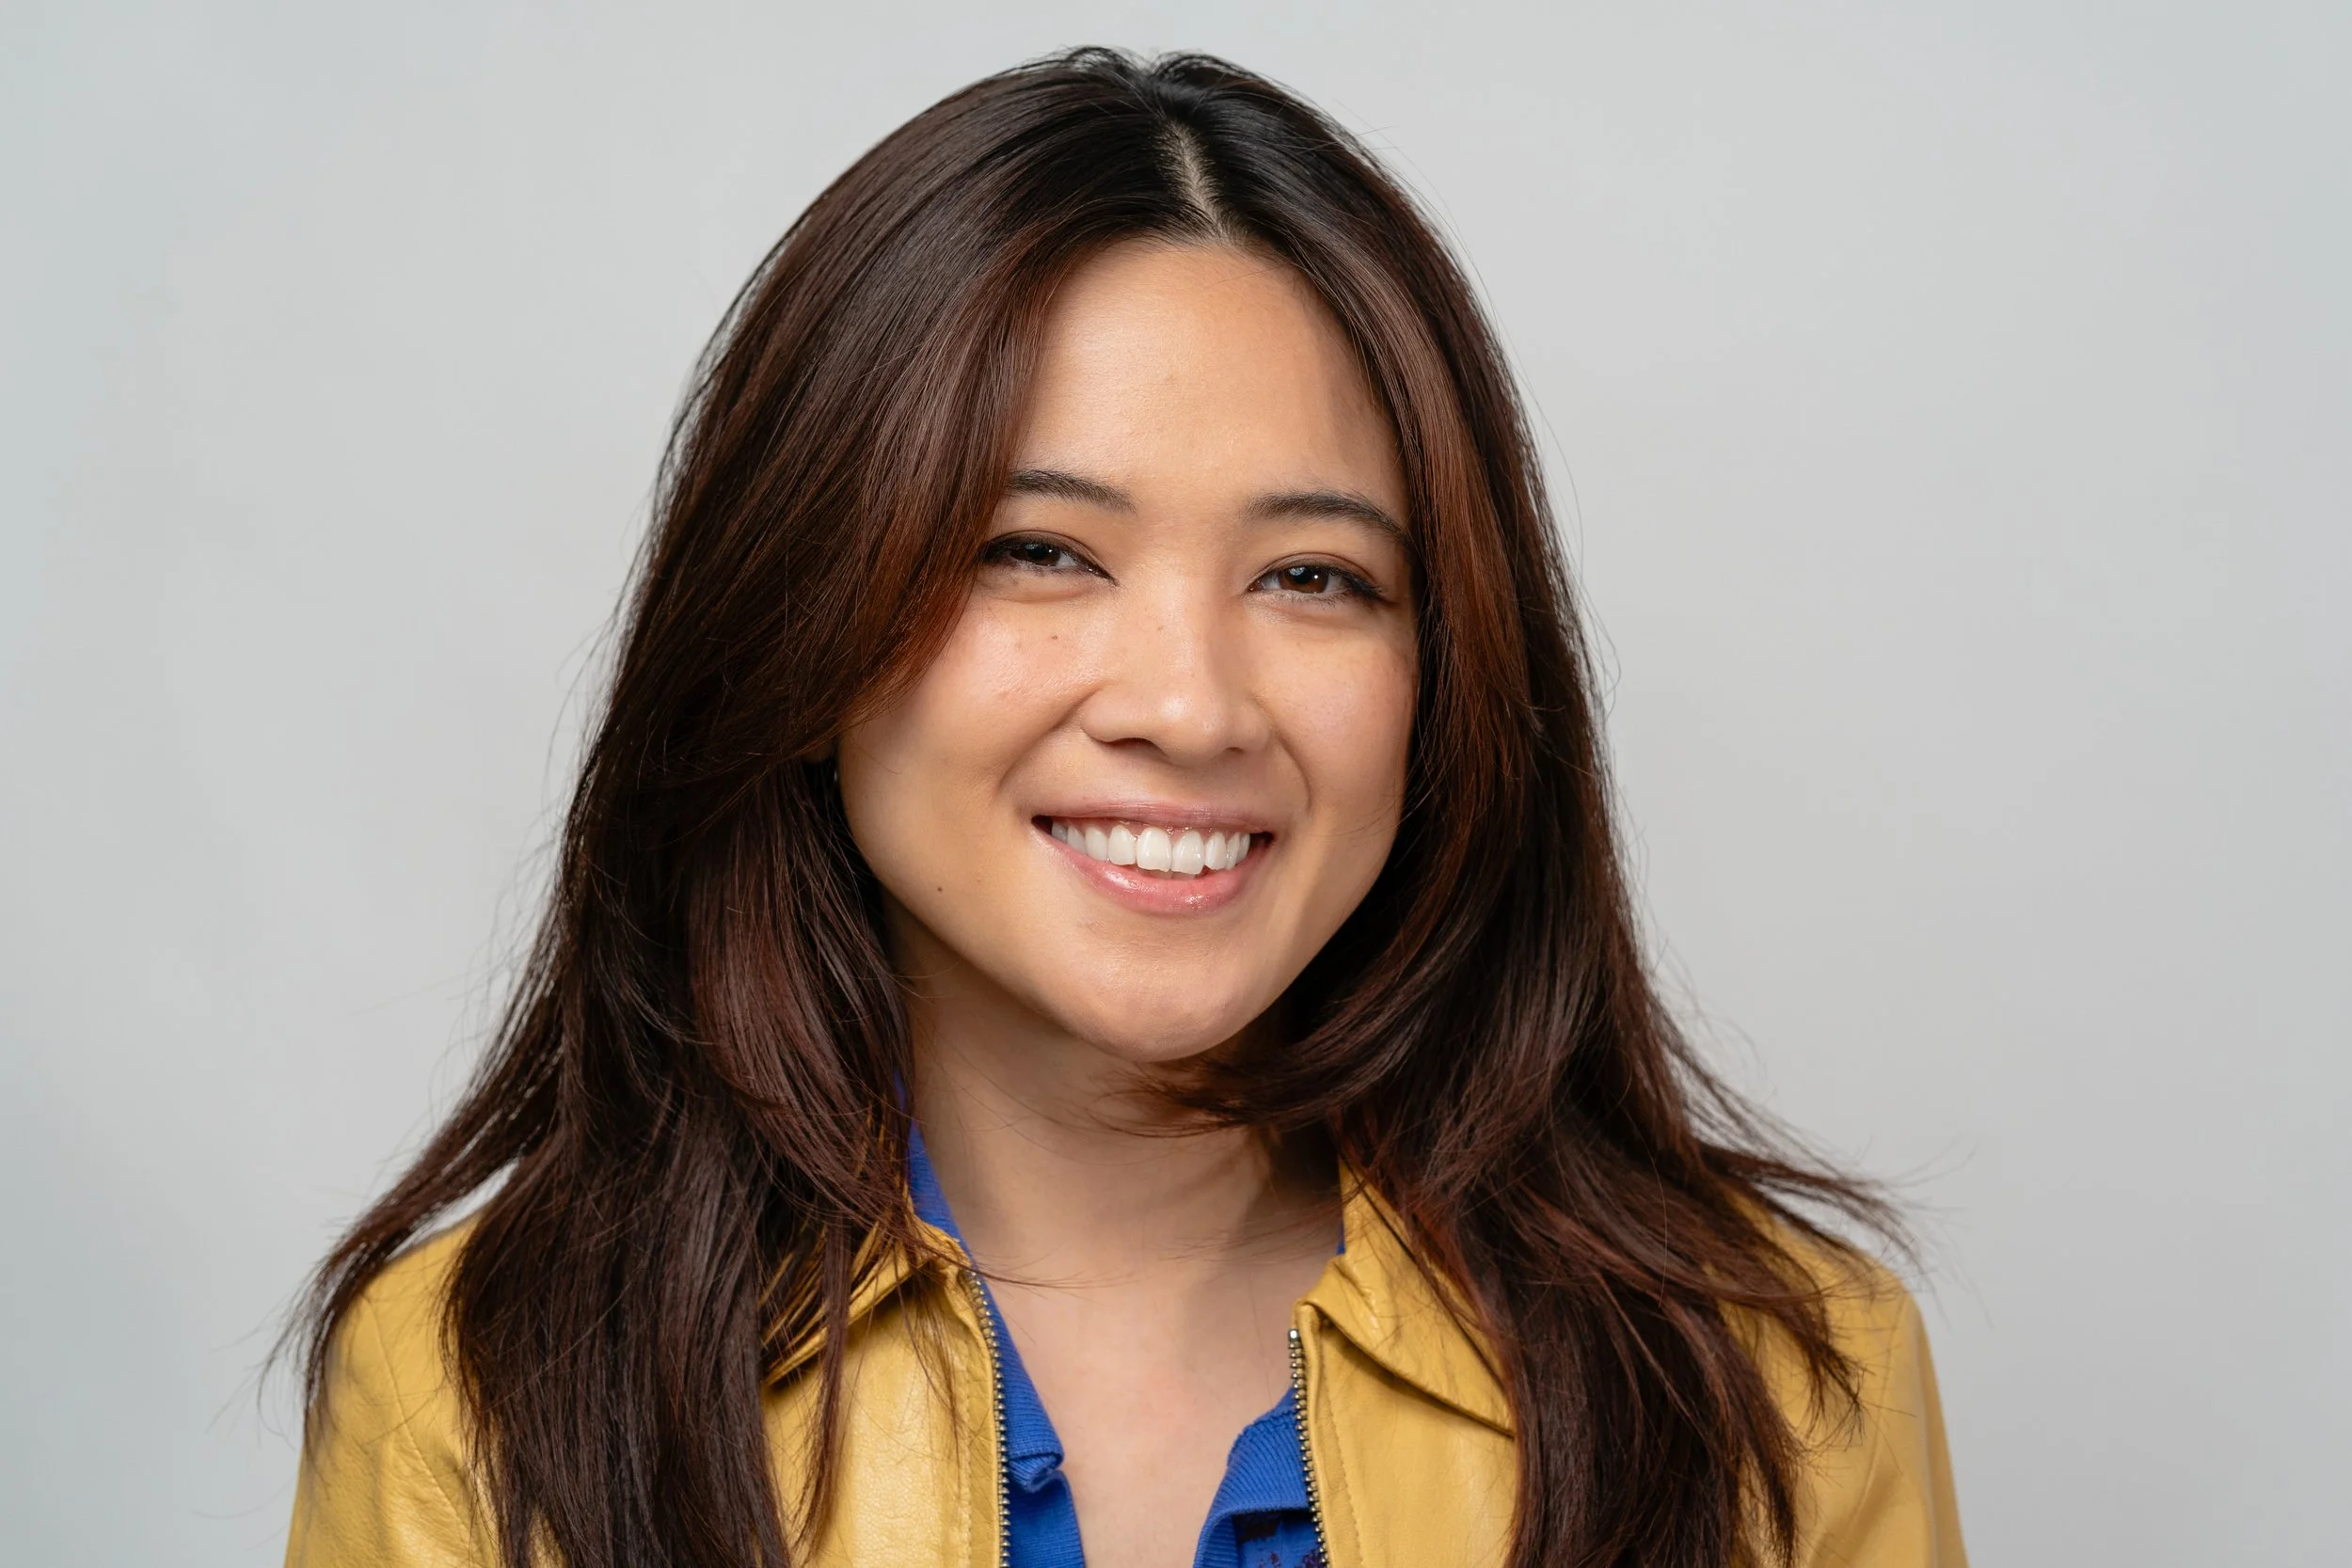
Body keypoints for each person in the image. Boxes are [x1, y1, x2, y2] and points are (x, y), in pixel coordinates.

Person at [283, 48, 1963, 1568]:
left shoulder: (1783, 1384)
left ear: (1445, 668)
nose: (1189, 704)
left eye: (1314, 574)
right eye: (1038, 551)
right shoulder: (478, 1390)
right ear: (800, 609)